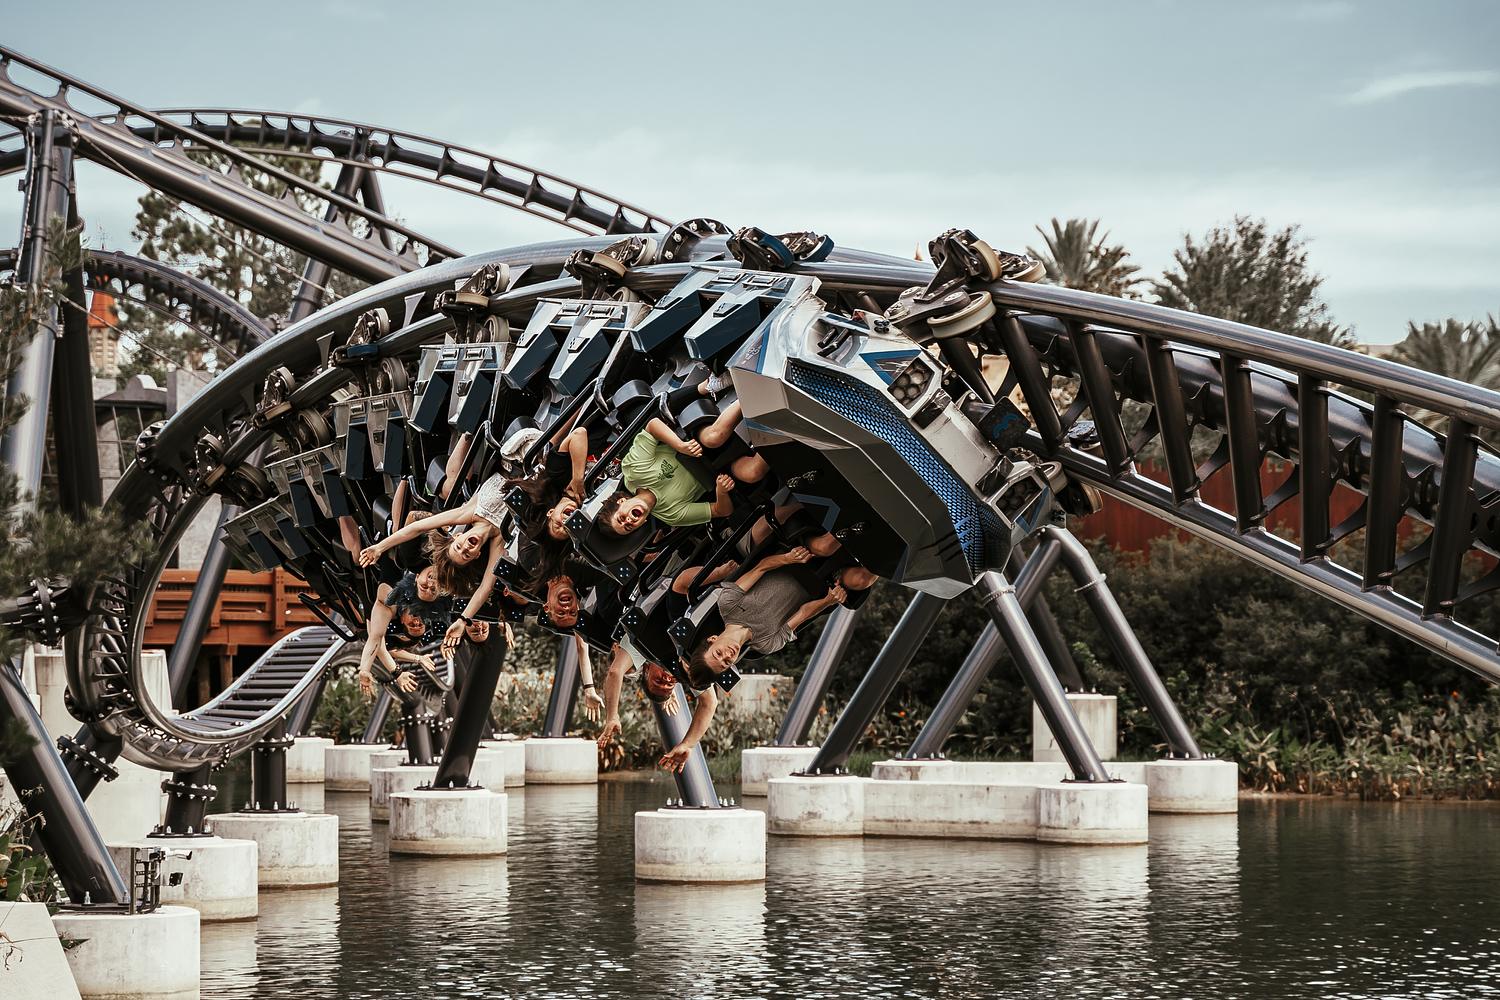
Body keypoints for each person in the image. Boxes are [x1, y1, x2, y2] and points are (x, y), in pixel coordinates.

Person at [685, 547, 877, 690]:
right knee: (862, 580)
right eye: (727, 662)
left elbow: (761, 568)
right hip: (819, 582)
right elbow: (803, 614)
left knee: (825, 545)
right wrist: (828, 601)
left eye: (718, 653)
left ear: (712, 639)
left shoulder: (727, 604)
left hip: (796, 559)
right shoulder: (766, 645)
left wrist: (788, 557)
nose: (727, 655)